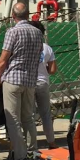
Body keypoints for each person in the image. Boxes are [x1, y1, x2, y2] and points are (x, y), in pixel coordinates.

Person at [0, 2, 44, 160]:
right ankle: (33, 153)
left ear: (13, 16)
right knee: (28, 118)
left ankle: (20, 157)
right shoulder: (38, 32)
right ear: (28, 15)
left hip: (13, 78)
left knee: (13, 119)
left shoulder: (12, 32)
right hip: (30, 79)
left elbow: (3, 59)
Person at [30, 21, 58, 149]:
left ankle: (32, 145)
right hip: (42, 82)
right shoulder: (47, 48)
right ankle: (51, 142)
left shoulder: (26, 46)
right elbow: (52, 70)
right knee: (45, 113)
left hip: (28, 82)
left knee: (29, 115)